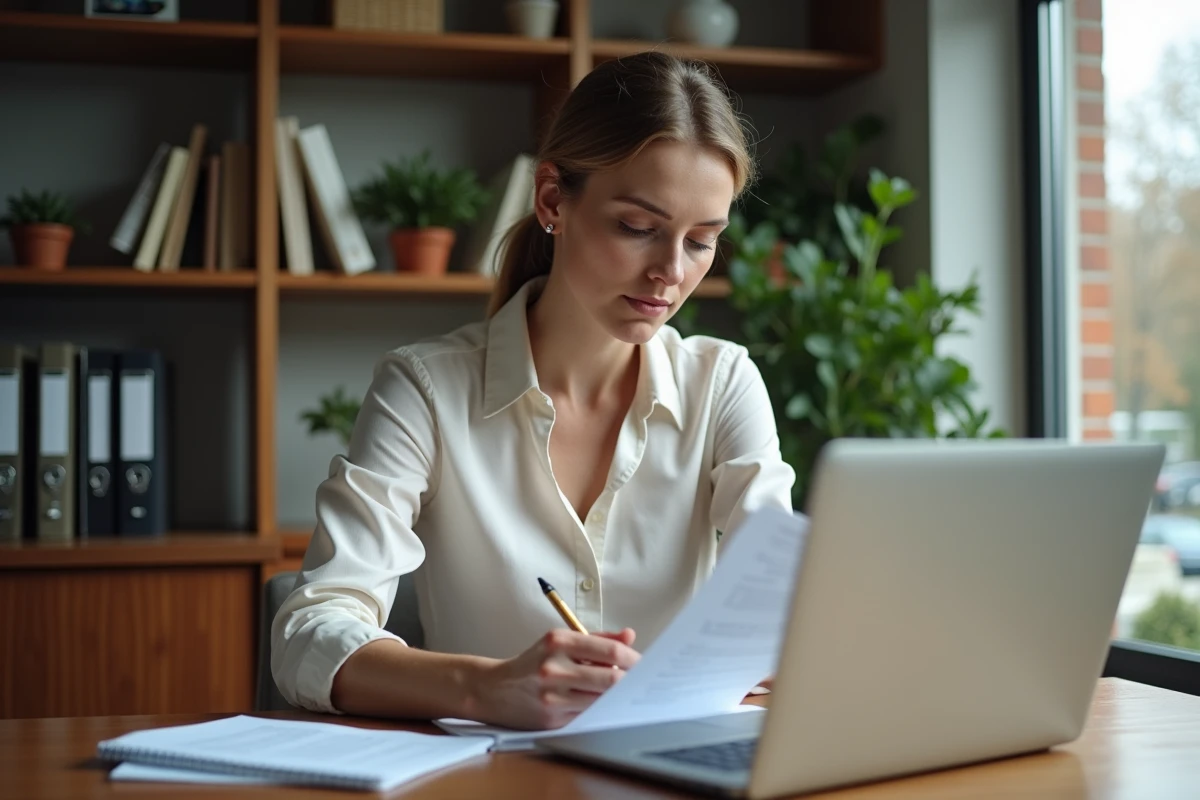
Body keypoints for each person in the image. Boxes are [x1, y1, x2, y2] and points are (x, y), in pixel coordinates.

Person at [271, 50, 796, 731]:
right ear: (553, 199)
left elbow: (777, 596)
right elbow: (308, 633)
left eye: (702, 241)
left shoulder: (722, 383)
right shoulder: (426, 390)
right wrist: (486, 687)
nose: (670, 271)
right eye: (638, 228)